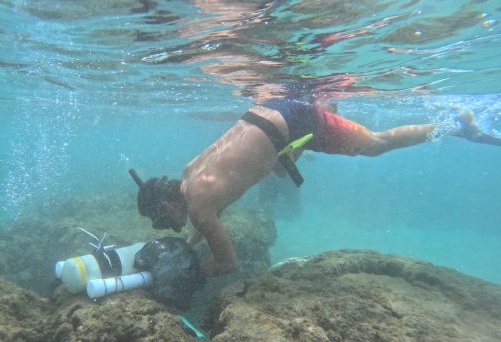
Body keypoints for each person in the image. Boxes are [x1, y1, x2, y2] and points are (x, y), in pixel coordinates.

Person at [129, 90, 501, 276]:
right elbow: (207, 217)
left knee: (373, 145)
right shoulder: (190, 173)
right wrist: (190, 245)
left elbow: (227, 262)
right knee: (277, 170)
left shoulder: (200, 210)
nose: (160, 227)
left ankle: (454, 126)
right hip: (270, 110)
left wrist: (182, 269)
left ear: (165, 206)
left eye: (158, 221)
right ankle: (324, 111)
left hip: (295, 123)